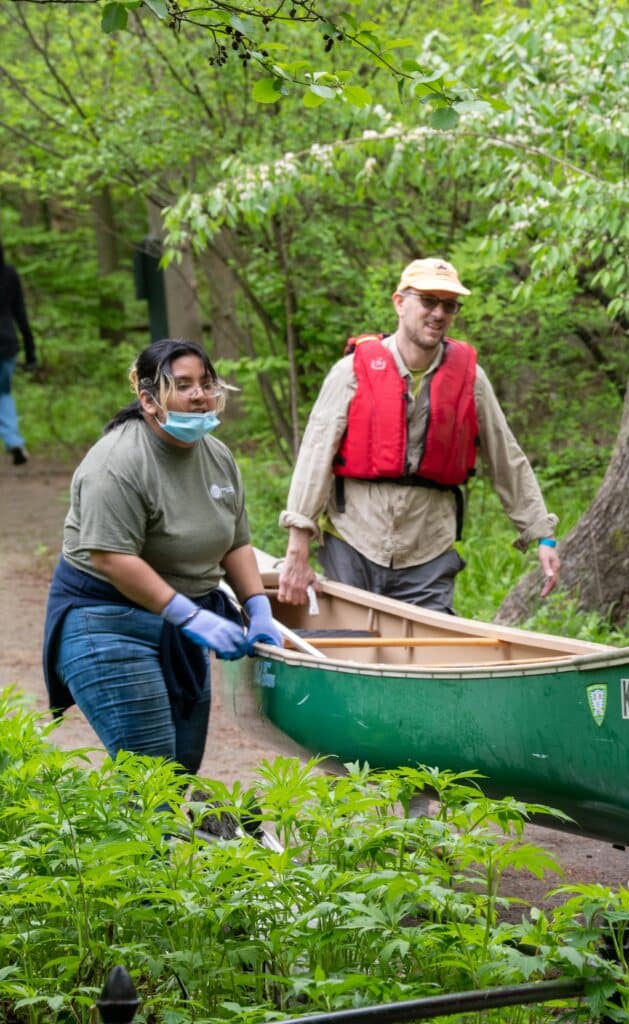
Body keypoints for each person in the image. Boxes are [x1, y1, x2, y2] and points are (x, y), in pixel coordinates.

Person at [41, 339, 279, 775]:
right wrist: (190, 616)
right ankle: (129, 845)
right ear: (149, 400)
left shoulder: (217, 457)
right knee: (150, 772)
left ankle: (163, 844)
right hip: (109, 621)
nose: (199, 394)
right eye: (183, 385)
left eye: (205, 383)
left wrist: (257, 606)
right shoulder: (117, 461)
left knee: (181, 769)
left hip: (180, 623)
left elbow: (236, 542)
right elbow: (110, 556)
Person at [276, 258, 560, 613]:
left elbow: (507, 458)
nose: (438, 313)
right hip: (354, 542)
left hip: (429, 550)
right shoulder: (351, 371)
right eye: (428, 301)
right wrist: (297, 544)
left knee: (424, 655)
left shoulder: (471, 380)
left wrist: (541, 532)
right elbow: (315, 455)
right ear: (400, 302)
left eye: (449, 305)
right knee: (350, 652)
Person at [0, 237, 37, 466]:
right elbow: (20, 315)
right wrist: (31, 353)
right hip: (7, 344)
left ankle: (14, 442)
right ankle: (14, 442)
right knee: (3, 394)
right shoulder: (9, 274)